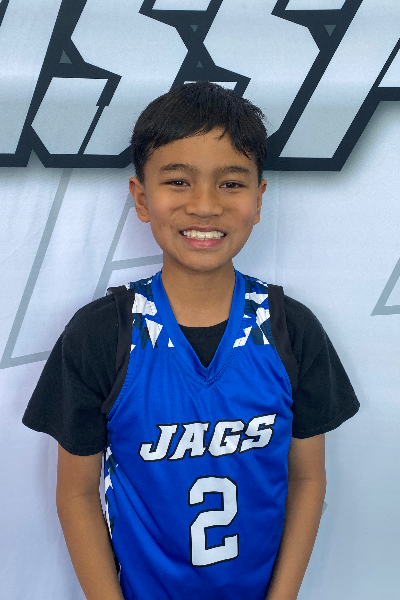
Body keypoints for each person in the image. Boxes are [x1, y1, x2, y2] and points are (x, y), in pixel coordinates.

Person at [23, 82, 359, 600]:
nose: (204, 206)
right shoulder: (101, 335)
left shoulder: (292, 330)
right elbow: (76, 493)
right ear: (142, 198)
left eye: (231, 183)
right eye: (178, 181)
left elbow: (308, 480)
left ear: (258, 199)